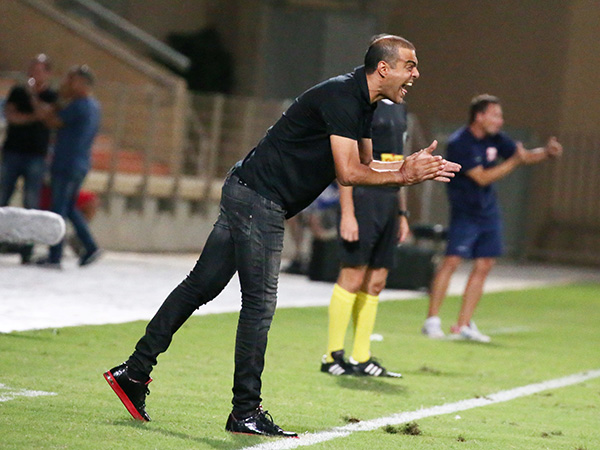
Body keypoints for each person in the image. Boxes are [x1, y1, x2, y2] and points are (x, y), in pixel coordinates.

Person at [103, 34, 460, 437]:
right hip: (260, 199)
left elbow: (364, 163)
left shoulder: (362, 100)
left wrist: (405, 168)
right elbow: (347, 174)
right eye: (410, 65)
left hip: (249, 191)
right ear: (383, 68)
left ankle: (134, 371)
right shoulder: (344, 98)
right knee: (258, 305)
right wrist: (403, 175)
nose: (416, 74)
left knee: (200, 286)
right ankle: (245, 411)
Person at [421, 94, 563, 342]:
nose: (500, 120)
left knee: (485, 263)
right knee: (452, 261)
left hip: (488, 211)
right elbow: (482, 177)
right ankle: (432, 321)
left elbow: (522, 155)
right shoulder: (460, 142)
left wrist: (546, 153)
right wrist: (515, 162)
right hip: (465, 212)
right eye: (495, 115)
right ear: (479, 116)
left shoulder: (496, 138)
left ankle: (463, 324)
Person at [321, 98, 409, 377]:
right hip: (362, 198)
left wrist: (402, 213)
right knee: (353, 275)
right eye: (409, 73)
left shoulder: (400, 107)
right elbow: (346, 162)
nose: (413, 77)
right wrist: (347, 213)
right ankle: (332, 356)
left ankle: (361, 357)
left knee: (376, 281)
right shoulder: (361, 104)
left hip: (389, 200)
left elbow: (400, 165)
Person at [34, 65, 102, 269]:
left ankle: (55, 256)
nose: (66, 84)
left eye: (71, 80)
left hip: (66, 163)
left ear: (82, 83)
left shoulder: (78, 105)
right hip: (80, 163)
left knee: (59, 209)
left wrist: (40, 101)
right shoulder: (94, 105)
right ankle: (89, 246)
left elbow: (51, 121)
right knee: (70, 206)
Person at [0, 54, 57, 264]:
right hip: (12, 152)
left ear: (47, 73)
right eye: (32, 69)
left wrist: (33, 96)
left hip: (36, 156)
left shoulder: (51, 95)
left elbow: (46, 116)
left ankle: (27, 249)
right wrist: (33, 117)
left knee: (31, 203)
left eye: (38, 70)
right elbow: (11, 116)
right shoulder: (17, 91)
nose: (33, 73)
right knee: (2, 197)